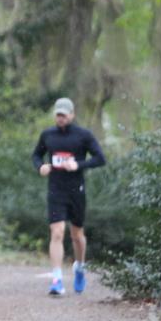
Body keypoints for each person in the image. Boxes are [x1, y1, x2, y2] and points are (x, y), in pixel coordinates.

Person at [31, 97, 106, 296]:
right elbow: (36, 155)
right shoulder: (48, 135)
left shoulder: (83, 135)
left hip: (76, 191)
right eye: (58, 114)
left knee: (77, 235)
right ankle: (56, 280)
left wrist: (79, 165)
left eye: (64, 114)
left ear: (72, 115)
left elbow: (100, 158)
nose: (61, 117)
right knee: (56, 232)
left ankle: (79, 267)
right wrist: (41, 166)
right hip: (56, 189)